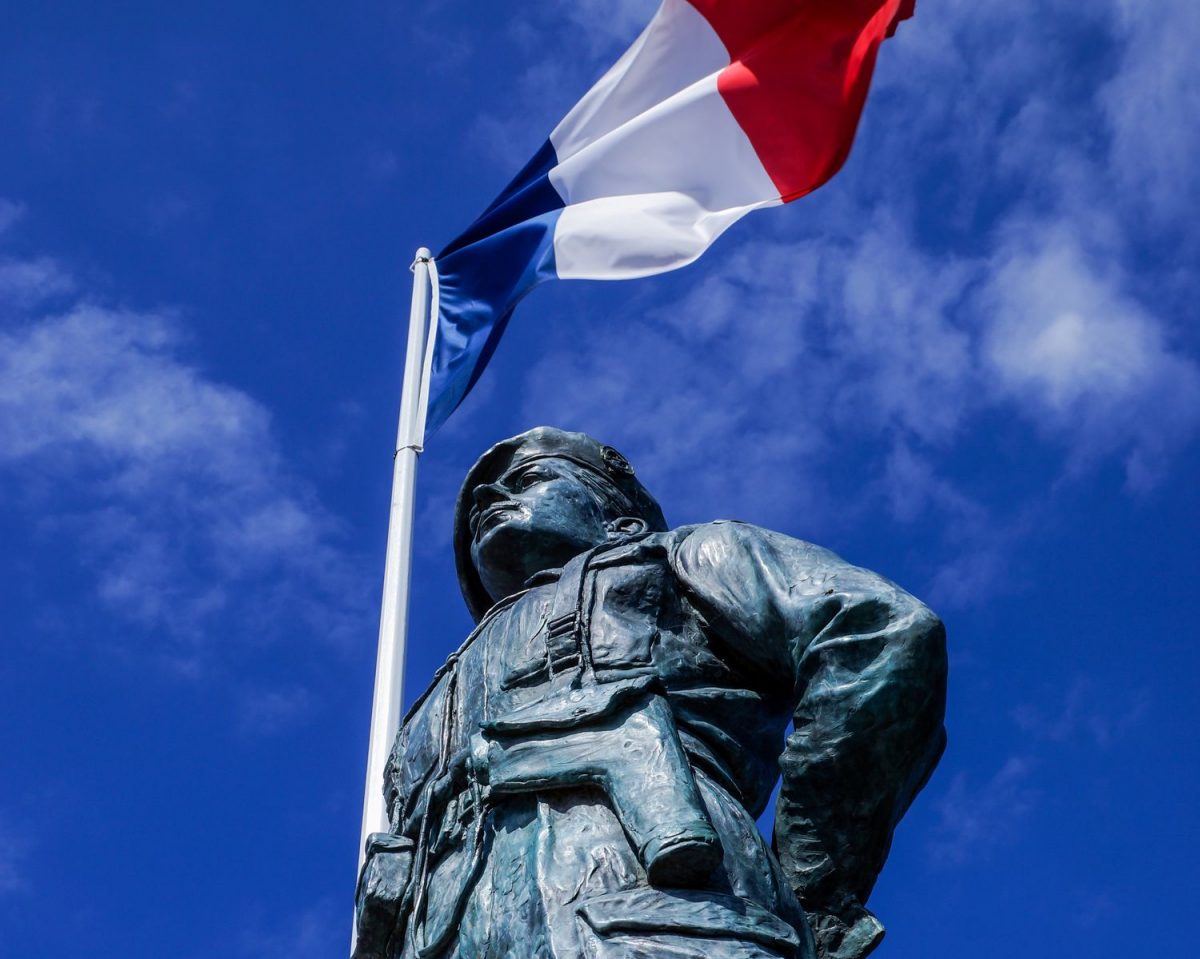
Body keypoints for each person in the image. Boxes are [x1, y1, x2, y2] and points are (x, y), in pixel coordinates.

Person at [354, 428, 947, 959]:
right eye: (480, 502)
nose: (488, 502)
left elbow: (879, 635)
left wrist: (815, 886)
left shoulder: (680, 556)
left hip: (653, 910)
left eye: (529, 479)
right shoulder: (435, 697)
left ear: (623, 520)